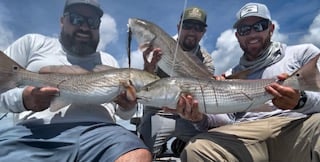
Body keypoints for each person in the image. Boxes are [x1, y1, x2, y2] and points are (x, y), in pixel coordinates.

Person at [0, 0, 152, 161]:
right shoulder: (32, 43)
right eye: (76, 19)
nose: (85, 27)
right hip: (33, 134)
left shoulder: (109, 61)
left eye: (92, 22)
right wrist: (23, 99)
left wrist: (128, 107)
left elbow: (124, 114)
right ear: (62, 20)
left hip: (102, 135)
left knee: (137, 155)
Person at [172, 2, 320, 162]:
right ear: (237, 36)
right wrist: (199, 118)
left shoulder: (304, 54)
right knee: (197, 150)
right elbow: (227, 119)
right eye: (244, 30)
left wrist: (301, 100)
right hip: (245, 136)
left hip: (297, 127)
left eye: (259, 26)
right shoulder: (230, 75)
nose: (252, 34)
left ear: (271, 28)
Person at [138, 6, 232, 156]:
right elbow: (145, 85)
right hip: (158, 114)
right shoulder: (161, 48)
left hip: (188, 117)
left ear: (204, 32)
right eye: (187, 26)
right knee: (142, 153)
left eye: (198, 28)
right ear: (178, 26)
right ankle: (166, 145)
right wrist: (148, 67)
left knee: (213, 147)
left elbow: (204, 95)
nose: (192, 32)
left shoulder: (206, 60)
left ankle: (180, 144)